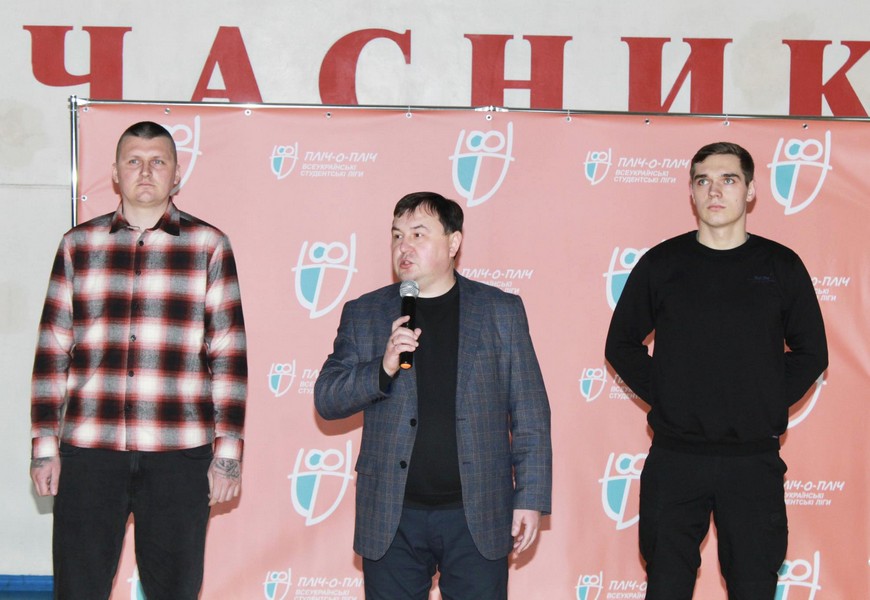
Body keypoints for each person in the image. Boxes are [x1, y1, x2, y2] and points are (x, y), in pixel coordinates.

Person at [30, 121, 248, 600]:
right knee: (78, 589)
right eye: (133, 161)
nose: (145, 171)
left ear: (177, 174)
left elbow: (229, 355)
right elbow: (52, 351)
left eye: (158, 161)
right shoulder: (77, 246)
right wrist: (44, 445)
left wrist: (228, 456)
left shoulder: (209, 246)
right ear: (115, 173)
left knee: (175, 590)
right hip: (89, 449)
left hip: (179, 454)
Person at [604, 141, 828, 599]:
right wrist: (668, 395)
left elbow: (812, 353)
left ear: (750, 190)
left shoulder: (781, 265)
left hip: (753, 462)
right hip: (675, 459)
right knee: (666, 586)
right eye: (703, 180)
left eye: (729, 179)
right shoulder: (662, 264)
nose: (715, 191)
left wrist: (764, 400)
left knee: (753, 587)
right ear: (691, 192)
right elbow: (620, 344)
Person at [314, 191, 552, 600]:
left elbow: (530, 412)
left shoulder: (500, 311)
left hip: (477, 512)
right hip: (392, 515)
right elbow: (327, 398)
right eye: (397, 235)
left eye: (418, 234)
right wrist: (382, 368)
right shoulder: (365, 312)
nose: (403, 247)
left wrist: (529, 497)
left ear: (454, 242)